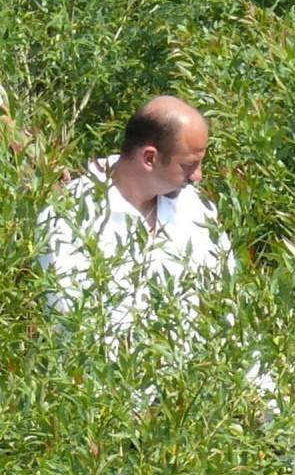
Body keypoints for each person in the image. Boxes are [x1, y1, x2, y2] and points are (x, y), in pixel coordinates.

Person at [40, 96, 234, 340]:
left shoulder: (197, 209)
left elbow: (226, 299)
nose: (198, 176)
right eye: (189, 165)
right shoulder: (70, 216)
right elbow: (75, 324)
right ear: (149, 158)